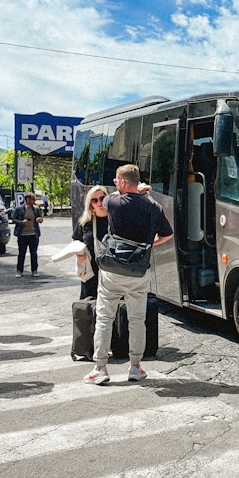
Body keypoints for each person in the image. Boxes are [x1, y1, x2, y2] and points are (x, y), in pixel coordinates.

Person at [84, 165, 173, 385]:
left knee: (105, 319)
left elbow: (109, 198)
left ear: (123, 183)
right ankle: (135, 367)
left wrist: (133, 189)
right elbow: (168, 235)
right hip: (138, 271)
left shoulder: (113, 202)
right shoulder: (154, 207)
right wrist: (151, 243)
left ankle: (100, 368)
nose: (115, 184)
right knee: (136, 320)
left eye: (116, 181)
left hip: (112, 270)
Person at [72, 185, 109, 300]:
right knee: (89, 306)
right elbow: (75, 240)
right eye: (94, 200)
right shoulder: (85, 222)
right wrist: (78, 253)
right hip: (91, 271)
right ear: (90, 204)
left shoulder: (116, 219)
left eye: (102, 198)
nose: (99, 203)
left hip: (112, 272)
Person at [10, 192, 43, 278]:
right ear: (27, 199)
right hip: (22, 235)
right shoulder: (19, 209)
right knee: (21, 253)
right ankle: (19, 270)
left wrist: (40, 219)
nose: (34, 201)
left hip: (33, 234)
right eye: (32, 199)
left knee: (34, 253)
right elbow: (13, 219)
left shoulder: (36, 209)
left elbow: (40, 218)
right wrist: (21, 222)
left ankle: (34, 270)